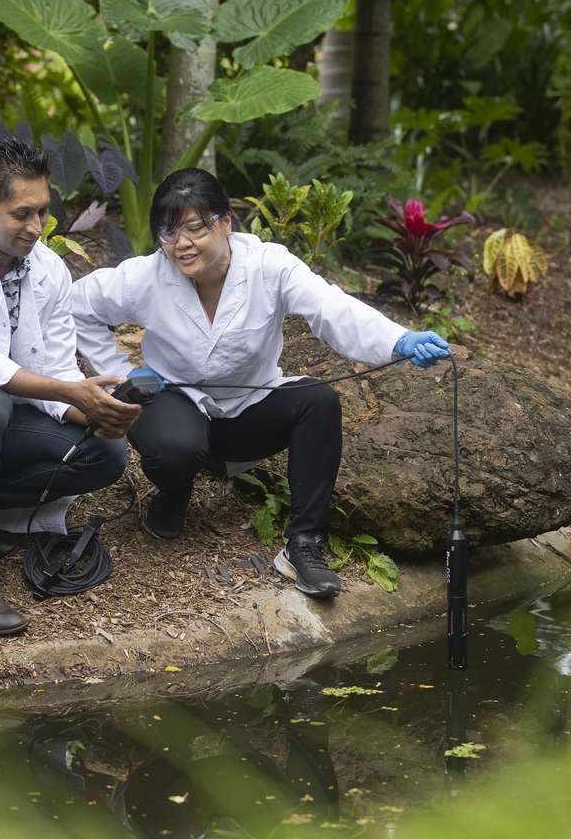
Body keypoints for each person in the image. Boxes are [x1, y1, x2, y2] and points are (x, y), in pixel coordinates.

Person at [71, 168, 450, 599]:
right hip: (173, 403)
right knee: (175, 447)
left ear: (226, 223)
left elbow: (330, 307)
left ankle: (304, 544)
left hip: (248, 409)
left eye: (196, 228)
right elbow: (80, 306)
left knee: (318, 400)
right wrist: (121, 372)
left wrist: (398, 339)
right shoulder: (146, 276)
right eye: (169, 231)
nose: (182, 244)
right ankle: (174, 491)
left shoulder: (270, 266)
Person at [0, 138, 142, 636]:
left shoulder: (47, 269)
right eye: (21, 214)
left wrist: (94, 408)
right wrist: (68, 392)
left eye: (42, 212)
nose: (35, 227)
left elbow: (57, 368)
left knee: (104, 454)